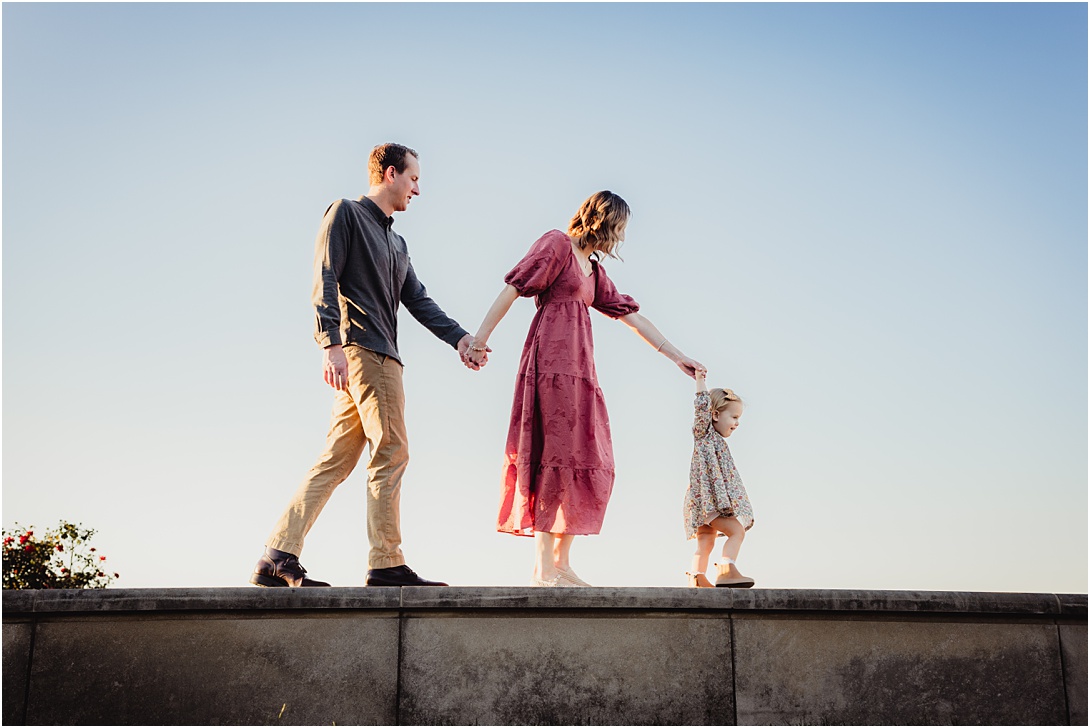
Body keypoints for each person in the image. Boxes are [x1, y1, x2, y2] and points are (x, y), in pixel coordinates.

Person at [251, 143, 482, 589]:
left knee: (335, 459)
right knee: (391, 451)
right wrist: (330, 343)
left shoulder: (397, 241)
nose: (417, 189)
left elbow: (417, 299)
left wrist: (461, 338)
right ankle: (386, 563)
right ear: (391, 173)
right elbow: (325, 275)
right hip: (365, 354)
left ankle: (277, 554)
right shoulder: (346, 214)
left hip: (379, 357)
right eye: (413, 179)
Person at [464, 191, 705, 587]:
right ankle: (543, 567)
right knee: (551, 455)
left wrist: (677, 356)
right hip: (550, 365)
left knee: (586, 456)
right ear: (603, 220)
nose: (621, 238)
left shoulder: (593, 270)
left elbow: (632, 317)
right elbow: (513, 287)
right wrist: (479, 340)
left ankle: (562, 562)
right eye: (620, 228)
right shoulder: (557, 244)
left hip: (582, 372)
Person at [684, 370, 755, 588]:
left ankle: (697, 577)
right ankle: (726, 568)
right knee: (736, 530)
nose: (737, 423)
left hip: (701, 503)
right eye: (734, 417)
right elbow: (701, 407)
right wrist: (700, 381)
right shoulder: (704, 433)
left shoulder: (716, 442)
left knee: (706, 541)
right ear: (714, 415)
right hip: (709, 502)